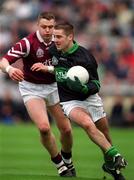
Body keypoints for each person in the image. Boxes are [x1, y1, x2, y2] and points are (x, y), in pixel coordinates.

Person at [33, 22, 128, 180]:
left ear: (70, 37)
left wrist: (84, 89)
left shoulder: (86, 57)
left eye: (59, 37)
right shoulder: (53, 50)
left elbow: (96, 84)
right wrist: (47, 68)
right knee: (87, 124)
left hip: (90, 98)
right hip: (70, 101)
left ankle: (110, 166)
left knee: (105, 136)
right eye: (54, 36)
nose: (55, 40)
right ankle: (116, 155)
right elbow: (60, 69)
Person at [0, 13, 76, 177]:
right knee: (43, 127)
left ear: (54, 26)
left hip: (54, 87)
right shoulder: (28, 43)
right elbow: (4, 60)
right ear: (38, 26)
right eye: (44, 27)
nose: (48, 30)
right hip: (31, 88)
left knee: (67, 130)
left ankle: (68, 160)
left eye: (51, 27)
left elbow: (74, 63)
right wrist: (10, 69)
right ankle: (60, 164)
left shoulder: (61, 41)